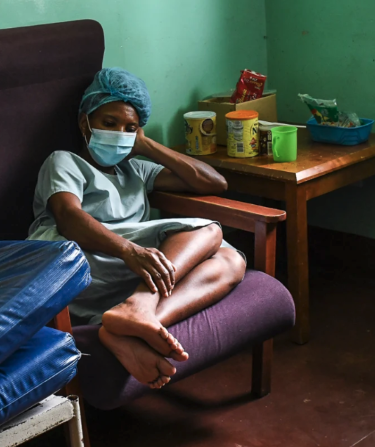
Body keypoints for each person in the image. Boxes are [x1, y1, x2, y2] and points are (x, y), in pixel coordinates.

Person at [27, 67, 246, 389]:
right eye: (109, 123)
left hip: (126, 270)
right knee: (210, 231)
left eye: (129, 127)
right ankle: (138, 307)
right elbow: (68, 218)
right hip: (71, 261)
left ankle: (134, 316)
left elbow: (215, 183)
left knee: (233, 261)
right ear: (84, 122)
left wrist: (146, 145)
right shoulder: (65, 161)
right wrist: (129, 251)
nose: (118, 133)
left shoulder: (136, 170)